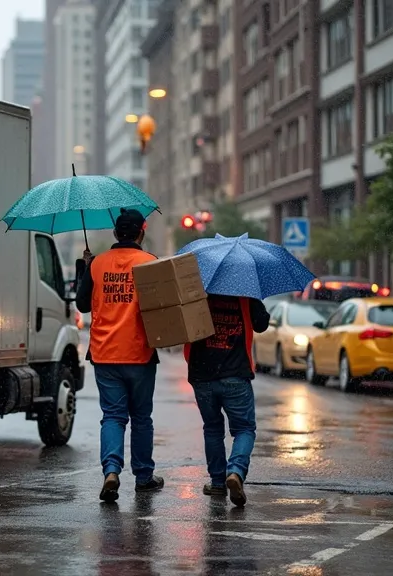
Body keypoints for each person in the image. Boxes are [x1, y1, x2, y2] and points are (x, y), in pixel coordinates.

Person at [76, 208, 164, 503]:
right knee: (141, 418)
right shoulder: (149, 263)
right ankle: (143, 477)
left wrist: (85, 268)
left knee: (113, 416)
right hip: (139, 353)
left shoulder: (98, 264)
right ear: (142, 231)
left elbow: (83, 305)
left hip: (104, 354)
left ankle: (111, 470)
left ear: (115, 234)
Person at [183, 295, 270, 507]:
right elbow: (262, 324)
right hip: (235, 374)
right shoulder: (245, 293)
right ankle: (236, 471)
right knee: (244, 429)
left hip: (202, 373)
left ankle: (217, 482)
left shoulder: (196, 290)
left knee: (212, 429)